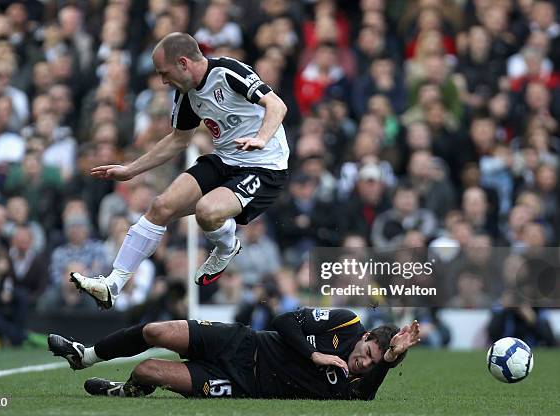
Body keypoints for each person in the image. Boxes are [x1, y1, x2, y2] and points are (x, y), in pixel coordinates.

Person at [70, 32, 289, 309]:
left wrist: (261, 138)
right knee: (160, 206)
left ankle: (225, 246)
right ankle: (113, 284)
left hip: (264, 166)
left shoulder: (227, 71)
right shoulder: (186, 94)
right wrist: (131, 170)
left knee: (207, 212)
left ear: (184, 63)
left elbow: (276, 104)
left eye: (165, 73)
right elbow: (178, 139)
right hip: (225, 159)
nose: (163, 80)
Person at [48, 308, 420, 400]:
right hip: (243, 343)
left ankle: (128, 390)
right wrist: (314, 356)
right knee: (155, 331)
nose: (364, 362)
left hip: (240, 383)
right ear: (367, 335)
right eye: (369, 352)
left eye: (374, 362)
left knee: (147, 371)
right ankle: (86, 355)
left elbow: (365, 395)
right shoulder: (346, 323)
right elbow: (284, 320)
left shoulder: (362, 381)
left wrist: (387, 362)